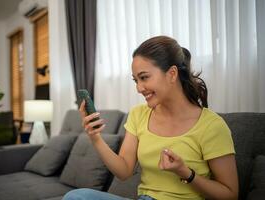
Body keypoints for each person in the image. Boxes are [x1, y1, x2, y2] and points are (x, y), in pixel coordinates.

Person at [63, 36, 238, 200]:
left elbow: (230, 194)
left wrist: (185, 172)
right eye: (135, 80)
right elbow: (124, 171)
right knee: (77, 197)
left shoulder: (211, 125)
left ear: (172, 74)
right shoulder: (138, 114)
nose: (139, 88)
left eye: (144, 77)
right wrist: (95, 138)